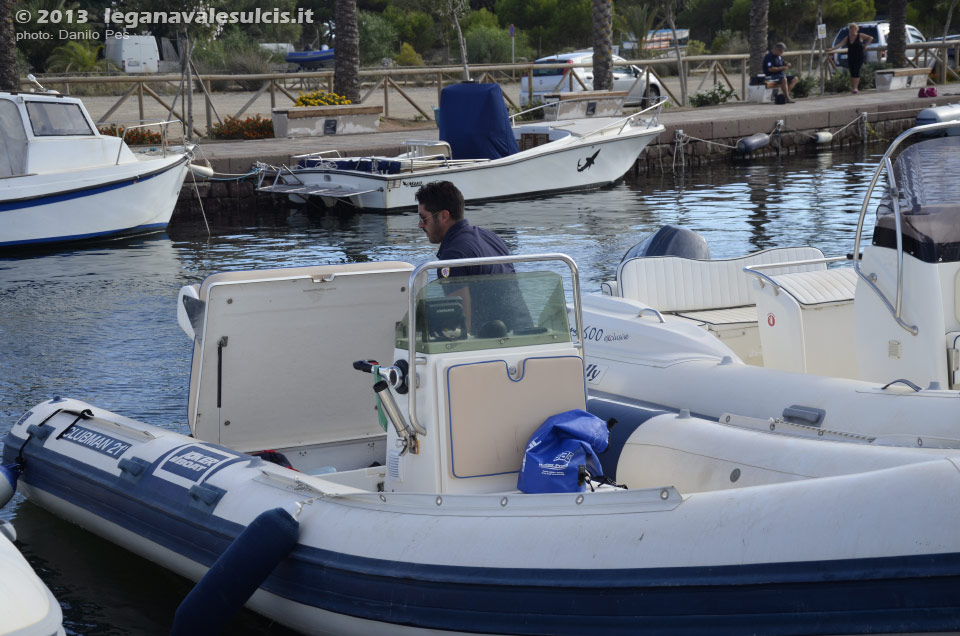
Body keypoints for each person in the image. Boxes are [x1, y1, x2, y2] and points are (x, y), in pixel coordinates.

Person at [415, 181, 531, 334]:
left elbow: (462, 323)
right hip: (525, 331)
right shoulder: (491, 237)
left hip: (493, 341)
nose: (420, 225)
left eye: (424, 218)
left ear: (444, 216)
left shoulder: (452, 256)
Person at [829, 24, 873, 94]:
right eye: (850, 29)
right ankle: (853, 87)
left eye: (852, 29)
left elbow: (870, 38)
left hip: (859, 56)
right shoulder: (847, 38)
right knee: (852, 72)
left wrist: (865, 45)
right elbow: (840, 44)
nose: (851, 30)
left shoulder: (860, 35)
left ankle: (856, 88)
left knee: (856, 70)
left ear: (856, 29)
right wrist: (831, 49)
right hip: (851, 56)